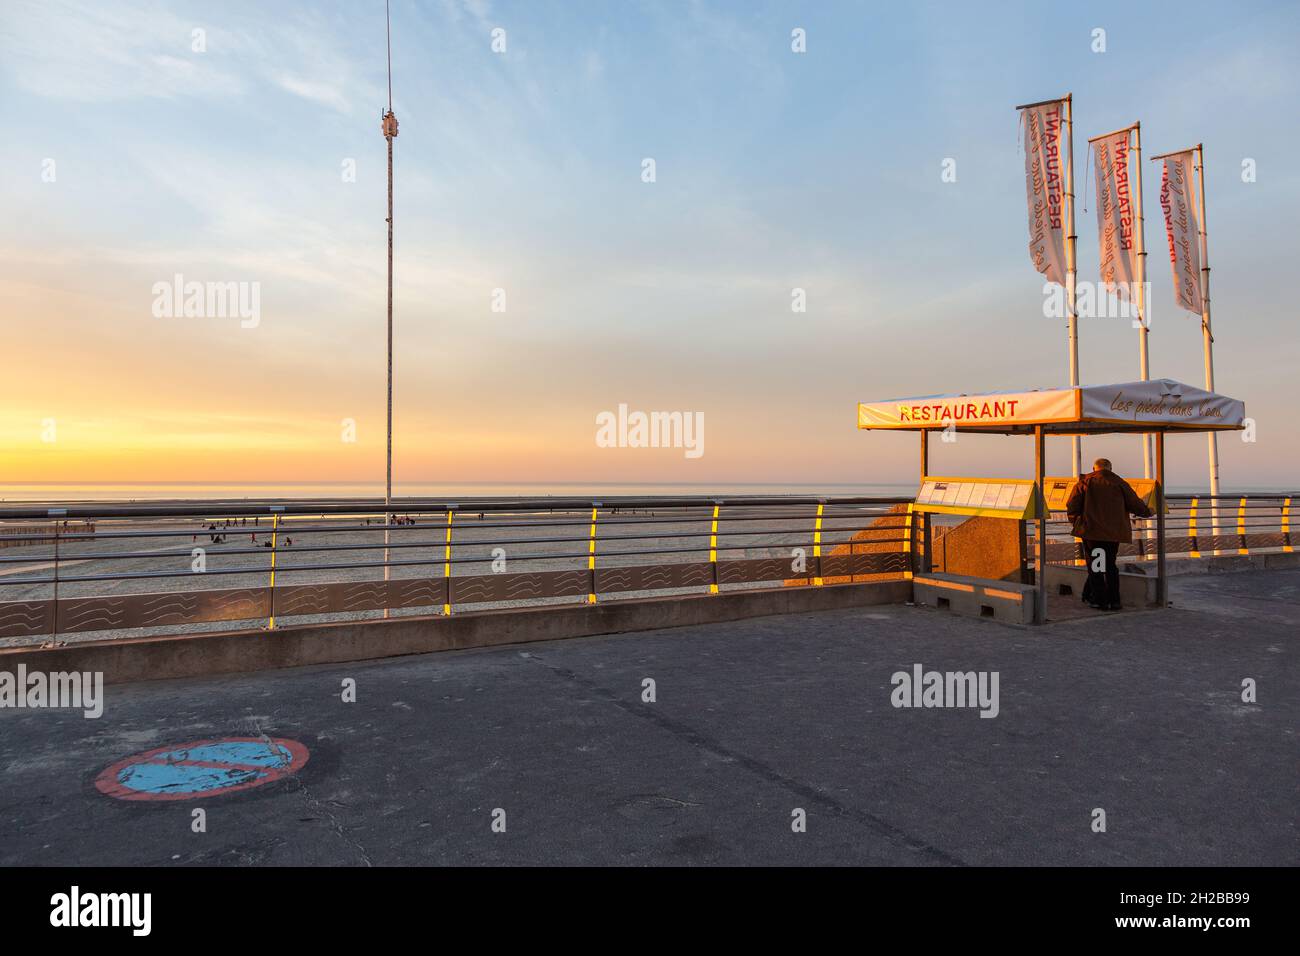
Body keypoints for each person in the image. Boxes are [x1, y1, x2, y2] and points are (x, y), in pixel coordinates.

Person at [1066, 458, 1155, 611]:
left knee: (1096, 566)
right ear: (1110, 468)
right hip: (1113, 533)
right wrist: (1148, 511)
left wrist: (1076, 522)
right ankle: (1114, 600)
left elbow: (1072, 505)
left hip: (1092, 532)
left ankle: (1100, 600)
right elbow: (1135, 503)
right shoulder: (1119, 483)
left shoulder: (1085, 482)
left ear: (1094, 468)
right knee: (1110, 565)